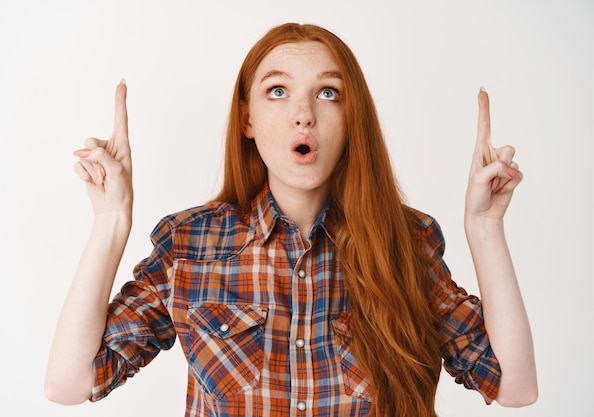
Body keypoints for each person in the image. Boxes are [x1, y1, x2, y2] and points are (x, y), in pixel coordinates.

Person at [45, 23, 537, 417]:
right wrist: (111, 220)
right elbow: (71, 383)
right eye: (278, 91)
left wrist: (486, 226)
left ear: (352, 118)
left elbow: (513, 387)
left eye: (328, 93)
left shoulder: (406, 243)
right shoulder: (190, 245)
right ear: (248, 120)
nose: (304, 114)